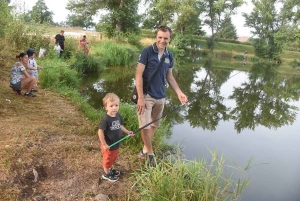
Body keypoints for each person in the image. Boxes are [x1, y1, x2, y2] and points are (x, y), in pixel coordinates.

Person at [135, 25, 187, 167]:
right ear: (156, 37)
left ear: (170, 39)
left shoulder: (169, 56)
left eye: (165, 38)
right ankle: (151, 155)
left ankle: (145, 150)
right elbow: (138, 74)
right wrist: (140, 97)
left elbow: (169, 77)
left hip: (161, 96)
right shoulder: (147, 52)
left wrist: (179, 92)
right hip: (146, 95)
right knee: (144, 127)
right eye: (160, 37)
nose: (162, 40)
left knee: (154, 125)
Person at [98, 93, 134, 182]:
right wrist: (104, 144)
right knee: (107, 160)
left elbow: (120, 126)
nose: (114, 108)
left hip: (116, 145)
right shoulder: (106, 120)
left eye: (116, 105)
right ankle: (106, 174)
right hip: (109, 146)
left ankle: (109, 170)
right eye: (111, 106)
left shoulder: (118, 116)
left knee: (112, 159)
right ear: (106, 107)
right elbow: (100, 132)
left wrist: (127, 132)